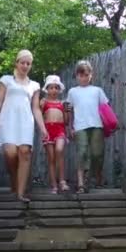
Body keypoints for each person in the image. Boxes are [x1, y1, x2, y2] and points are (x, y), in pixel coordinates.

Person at [0, 50, 48, 202]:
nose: (25, 66)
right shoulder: (6, 80)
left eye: (28, 63)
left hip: (25, 122)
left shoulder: (34, 85)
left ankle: (20, 193)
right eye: (23, 62)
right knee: (10, 153)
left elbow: (35, 108)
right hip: (8, 121)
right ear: (17, 63)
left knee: (25, 152)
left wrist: (43, 128)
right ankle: (14, 180)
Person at [66, 60, 109, 193]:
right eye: (80, 75)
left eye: (86, 75)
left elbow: (106, 108)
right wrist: (70, 127)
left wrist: (109, 123)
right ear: (76, 76)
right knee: (82, 153)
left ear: (91, 75)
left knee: (97, 154)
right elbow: (69, 110)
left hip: (97, 125)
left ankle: (98, 176)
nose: (83, 78)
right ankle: (81, 184)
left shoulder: (97, 91)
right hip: (80, 126)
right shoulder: (72, 92)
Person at [40, 75, 70, 194]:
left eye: (56, 88)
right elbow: (40, 116)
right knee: (51, 158)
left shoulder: (62, 103)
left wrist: (66, 111)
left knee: (59, 150)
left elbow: (66, 121)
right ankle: (54, 185)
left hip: (60, 130)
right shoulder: (44, 102)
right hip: (48, 131)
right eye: (51, 88)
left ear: (59, 89)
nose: (54, 90)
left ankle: (62, 181)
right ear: (47, 89)